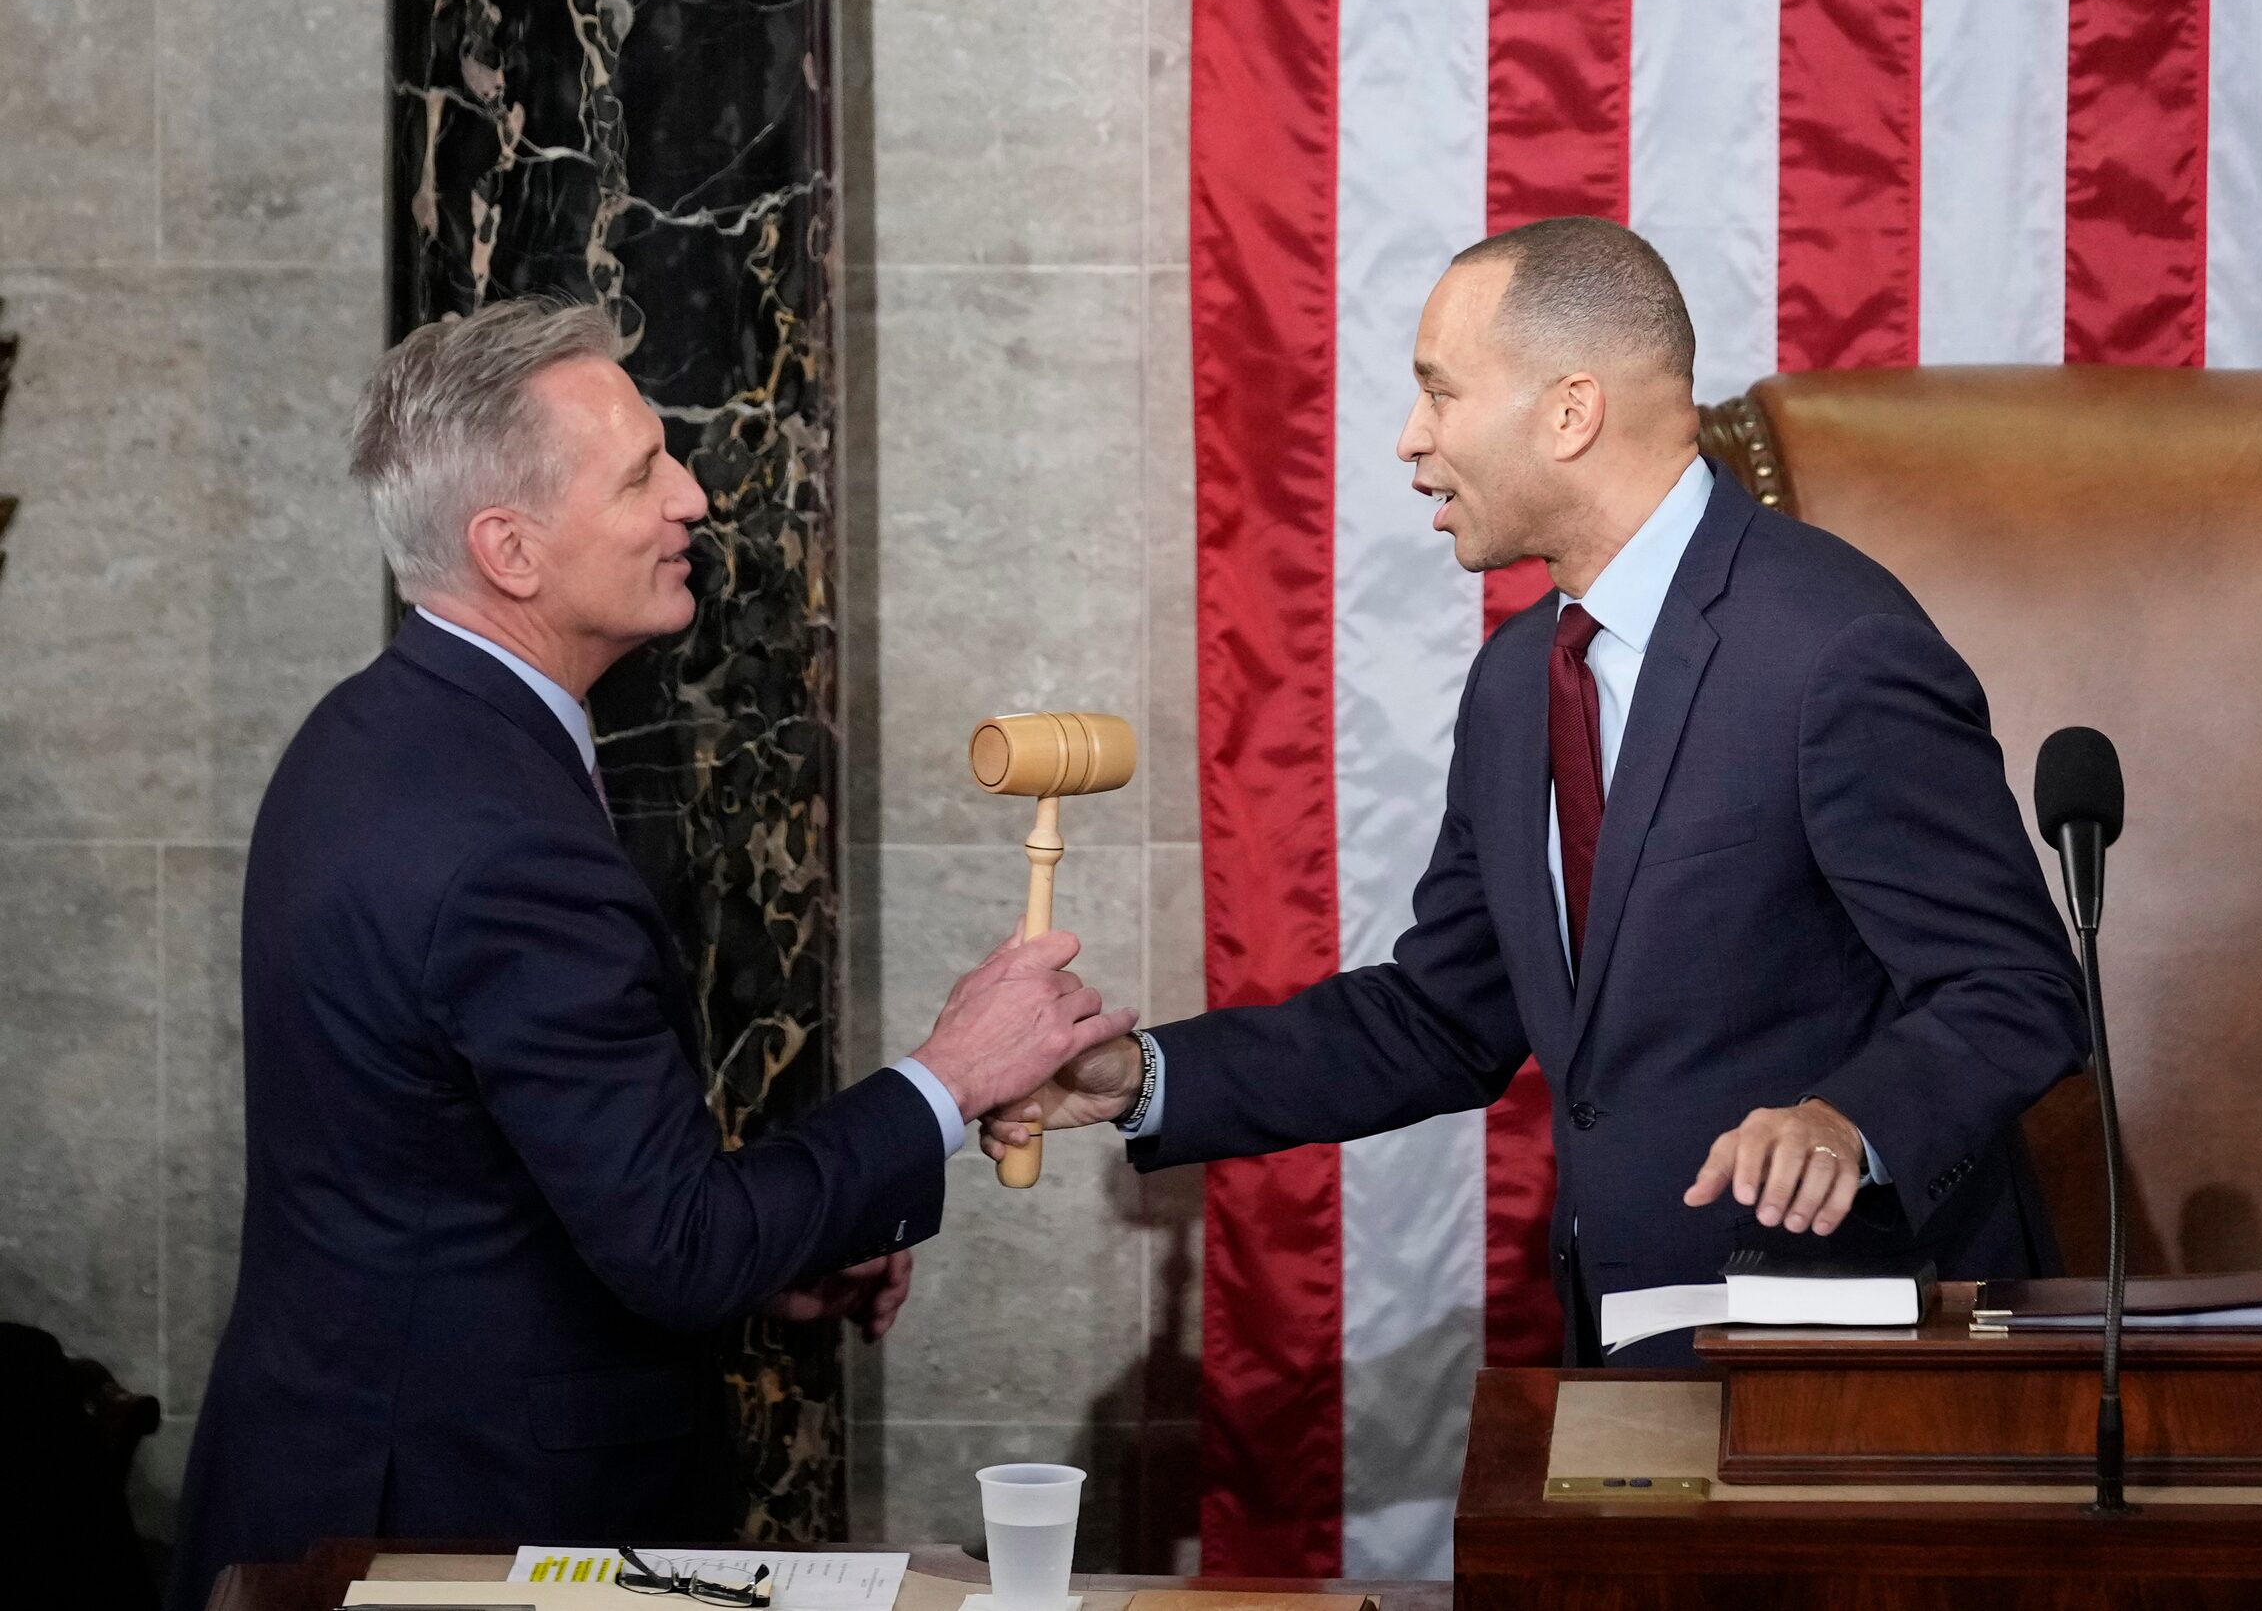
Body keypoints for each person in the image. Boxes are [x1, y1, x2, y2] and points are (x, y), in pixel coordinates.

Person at [167, 301, 1137, 1608]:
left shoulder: (373, 730)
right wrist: (950, 1077)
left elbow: (508, 1168)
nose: (691, 494)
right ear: (507, 549)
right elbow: (676, 1241)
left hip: (343, 1457)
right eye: (638, 474)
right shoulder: (503, 838)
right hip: (447, 1520)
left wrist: (787, 1238)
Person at [997, 217, 2089, 1362]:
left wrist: (1850, 1121)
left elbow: (2017, 989)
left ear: (1571, 410)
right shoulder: (1519, 679)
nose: (1411, 440)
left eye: (1440, 393)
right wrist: (1141, 1077)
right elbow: (1442, 1017)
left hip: (1853, 1365)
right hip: (1627, 1356)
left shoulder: (1833, 647)